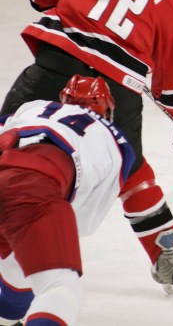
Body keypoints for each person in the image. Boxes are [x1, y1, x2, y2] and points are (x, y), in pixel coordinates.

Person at [0, 0, 173, 294]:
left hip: (52, 70)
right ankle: (164, 245)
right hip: (117, 94)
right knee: (129, 168)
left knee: (7, 138)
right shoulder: (167, 6)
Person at [0, 75, 135, 325]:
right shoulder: (117, 143)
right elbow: (84, 223)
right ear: (107, 108)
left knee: (17, 267)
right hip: (31, 189)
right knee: (60, 288)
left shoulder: (32, 107)